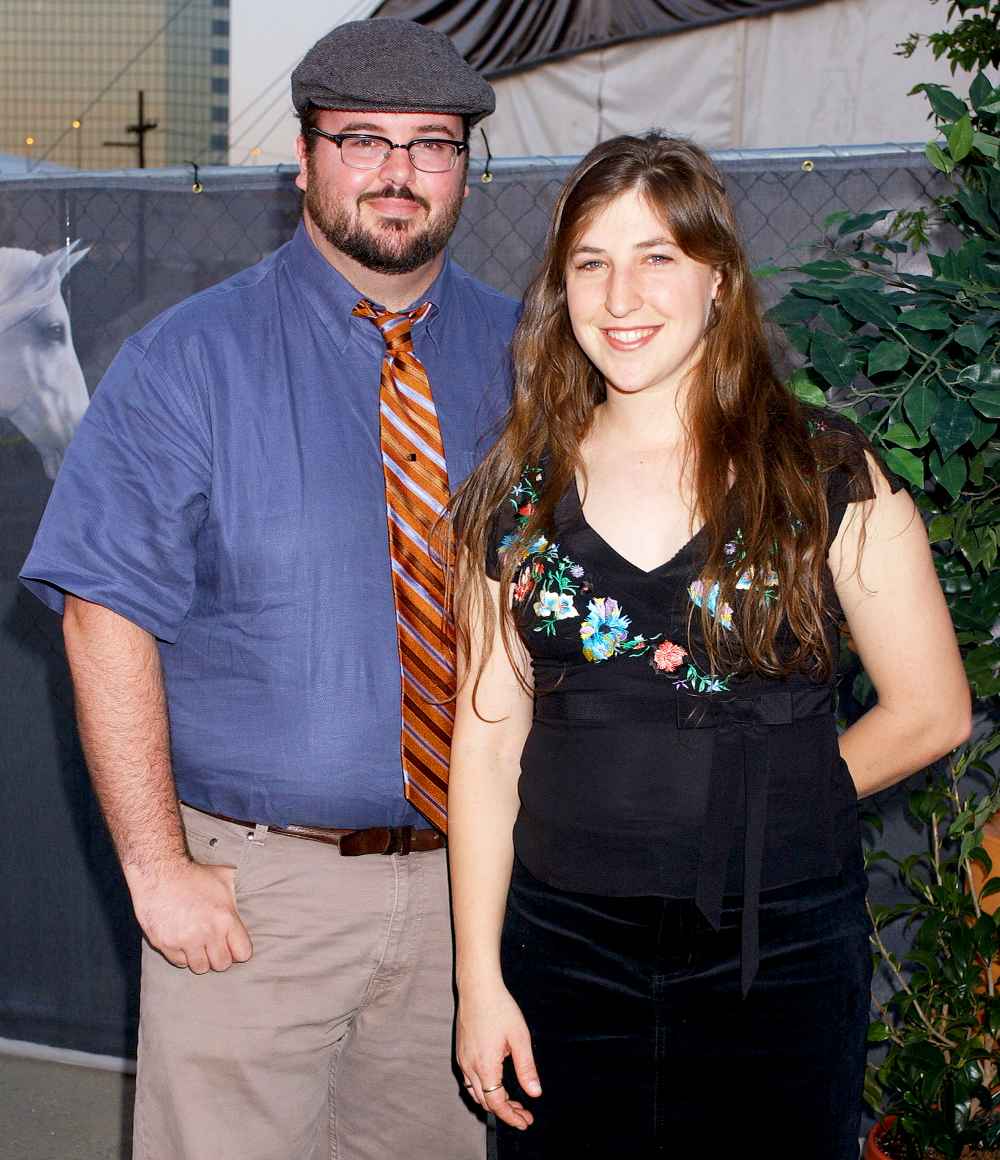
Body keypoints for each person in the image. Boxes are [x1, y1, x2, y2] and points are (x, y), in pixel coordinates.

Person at [20, 18, 517, 1160]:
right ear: (303, 158)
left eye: (430, 144)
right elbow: (103, 615)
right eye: (362, 139)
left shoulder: (528, 355)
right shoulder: (187, 359)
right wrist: (159, 869)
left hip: (473, 891)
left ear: (462, 168)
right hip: (254, 895)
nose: (396, 173)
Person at [446, 133, 970, 1158]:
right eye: (590, 262)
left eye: (657, 257)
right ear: (560, 290)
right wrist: (478, 983)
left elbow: (932, 709)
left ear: (717, 279)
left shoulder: (822, 474)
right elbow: (484, 748)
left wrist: (767, 803)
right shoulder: (514, 496)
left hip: (774, 952)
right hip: (564, 952)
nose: (621, 294)